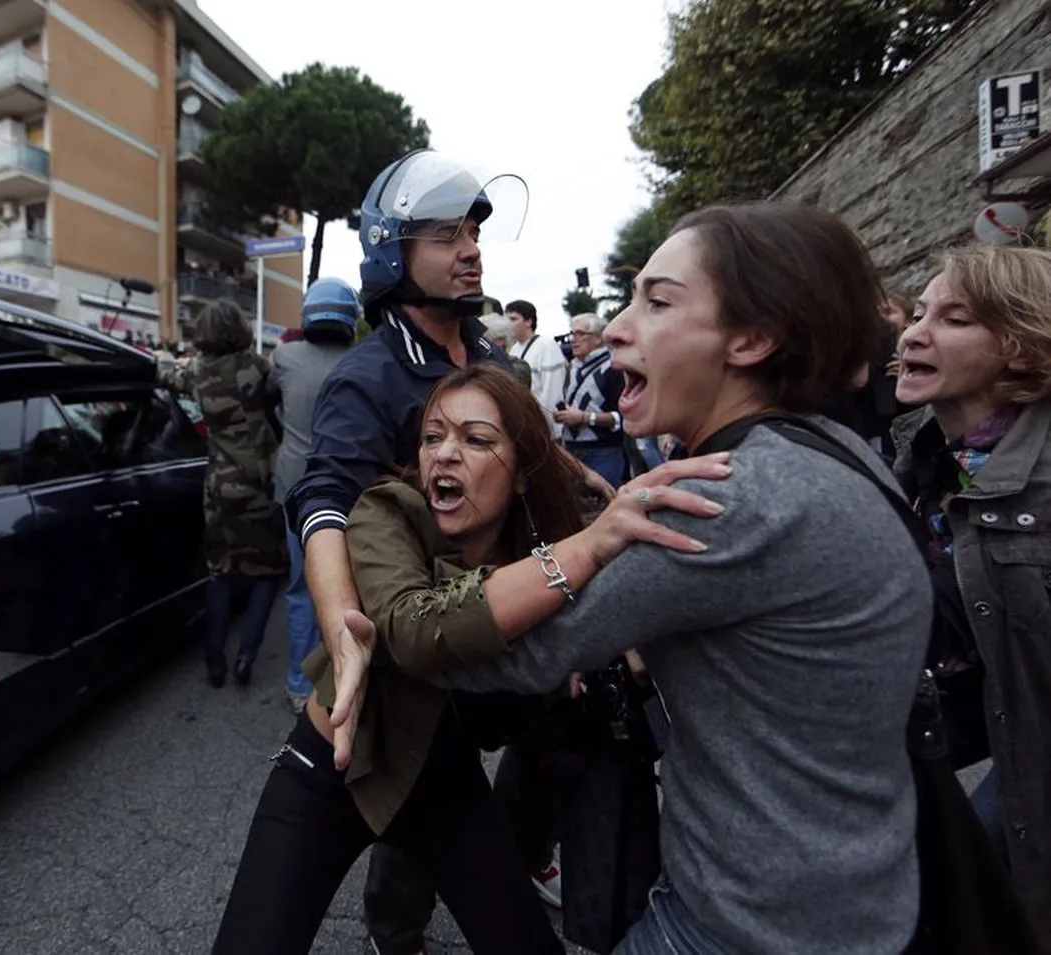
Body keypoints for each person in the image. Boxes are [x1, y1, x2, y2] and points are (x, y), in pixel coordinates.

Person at [327, 201, 933, 955]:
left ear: (752, 338)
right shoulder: (827, 450)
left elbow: (514, 648)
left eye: (656, 301)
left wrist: (375, 627)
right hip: (855, 894)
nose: (614, 327)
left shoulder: (723, 499)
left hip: (749, 924)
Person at [212, 362, 729, 954]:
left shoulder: (535, 546)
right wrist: (587, 548)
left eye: (476, 439)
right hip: (334, 768)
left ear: (523, 475)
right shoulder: (388, 511)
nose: (444, 455)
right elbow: (414, 629)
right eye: (433, 437)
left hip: (442, 777)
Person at [892, 244, 1051, 951]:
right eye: (918, 311)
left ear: (1020, 349)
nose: (914, 331)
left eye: (952, 318)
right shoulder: (930, 453)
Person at [157, 300, 285, 687]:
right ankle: (247, 654)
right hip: (260, 483)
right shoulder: (259, 368)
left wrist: (163, 358)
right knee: (266, 573)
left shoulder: (197, 372)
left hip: (219, 487)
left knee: (220, 573)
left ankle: (214, 661)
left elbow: (164, 374)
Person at [272, 278, 358, 712]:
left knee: (302, 587)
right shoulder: (361, 360)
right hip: (348, 490)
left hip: (293, 488)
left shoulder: (284, 356)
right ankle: (349, 672)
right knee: (353, 584)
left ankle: (299, 683)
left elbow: (270, 407)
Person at [557, 312, 629, 487]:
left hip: (604, 452)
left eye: (580, 334)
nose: (573, 339)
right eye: (572, 334)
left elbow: (624, 417)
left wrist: (584, 417)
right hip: (572, 452)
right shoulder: (572, 366)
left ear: (598, 338)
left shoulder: (614, 367)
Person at [507, 299, 568, 423]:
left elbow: (552, 391)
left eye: (513, 319)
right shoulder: (514, 349)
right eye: (507, 319)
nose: (508, 324)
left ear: (529, 321)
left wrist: (546, 427)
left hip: (543, 425)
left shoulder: (546, 345)